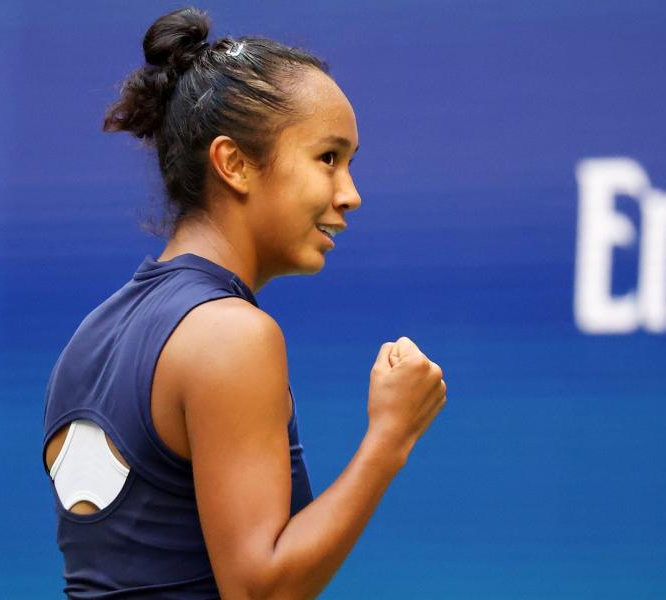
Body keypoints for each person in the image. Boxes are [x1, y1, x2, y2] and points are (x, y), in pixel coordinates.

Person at [41, 7, 447, 599]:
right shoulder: (232, 335)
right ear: (233, 164)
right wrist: (390, 438)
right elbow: (260, 591)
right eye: (327, 158)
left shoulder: (93, 335)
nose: (351, 194)